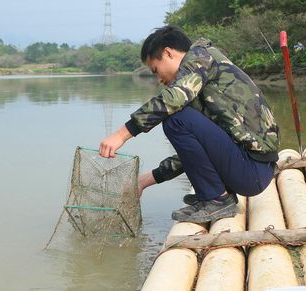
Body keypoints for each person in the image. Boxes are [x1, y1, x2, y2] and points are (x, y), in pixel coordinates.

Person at [99, 26, 279, 223]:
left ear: (168, 52)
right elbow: (197, 152)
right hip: (251, 169)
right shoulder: (200, 77)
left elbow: (172, 99)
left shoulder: (200, 57)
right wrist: (146, 180)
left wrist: (121, 134)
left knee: (175, 119)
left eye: (156, 70)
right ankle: (215, 196)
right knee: (178, 118)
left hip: (251, 169)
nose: (159, 79)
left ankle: (217, 200)